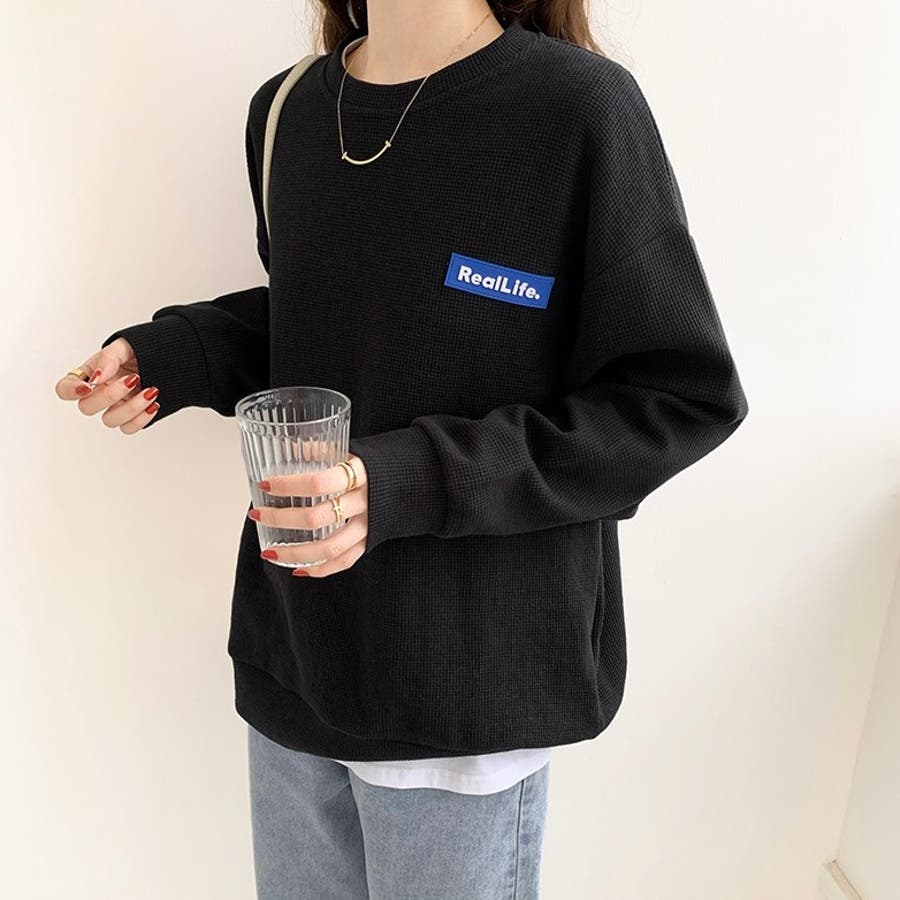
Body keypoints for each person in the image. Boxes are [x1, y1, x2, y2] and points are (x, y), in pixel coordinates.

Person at [55, 1, 749, 897]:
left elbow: (677, 397)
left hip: (462, 704)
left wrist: (405, 481)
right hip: (295, 670)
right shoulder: (287, 111)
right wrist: (177, 355)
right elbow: (332, 320)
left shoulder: (577, 112)